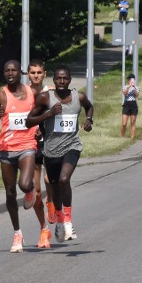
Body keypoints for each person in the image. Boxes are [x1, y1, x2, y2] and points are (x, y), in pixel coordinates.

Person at [27, 65, 94, 243]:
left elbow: (89, 107)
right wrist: (48, 113)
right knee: (55, 187)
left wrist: (88, 120)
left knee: (65, 179)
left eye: (65, 78)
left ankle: (68, 221)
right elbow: (29, 121)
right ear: (53, 80)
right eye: (58, 79)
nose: (62, 82)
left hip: (72, 146)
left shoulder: (78, 97)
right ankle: (58, 216)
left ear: (70, 80)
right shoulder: (44, 98)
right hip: (51, 150)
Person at [0, 59, 38, 253]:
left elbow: (41, 112)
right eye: (7, 71)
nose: (10, 73)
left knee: (23, 184)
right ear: (4, 73)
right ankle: (17, 233)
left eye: (14, 70)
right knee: (9, 193)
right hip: (7, 148)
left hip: (27, 145)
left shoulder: (32, 92)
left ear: (20, 72)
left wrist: (40, 129)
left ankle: (30, 189)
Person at [26, 59, 54, 248]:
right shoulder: (23, 93)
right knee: (35, 191)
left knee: (49, 180)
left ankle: (51, 201)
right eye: (32, 72)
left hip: (49, 141)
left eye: (39, 72)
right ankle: (44, 229)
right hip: (30, 143)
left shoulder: (50, 92)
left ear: (44, 74)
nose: (36, 75)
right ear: (28, 74)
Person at [121, 73, 140, 139]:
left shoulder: (136, 87)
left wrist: (134, 87)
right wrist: (129, 86)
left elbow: (137, 95)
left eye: (132, 80)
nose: (131, 81)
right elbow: (125, 93)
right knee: (124, 123)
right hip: (126, 105)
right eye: (129, 80)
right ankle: (122, 136)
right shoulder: (125, 87)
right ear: (128, 80)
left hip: (133, 105)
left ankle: (132, 137)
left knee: (132, 122)